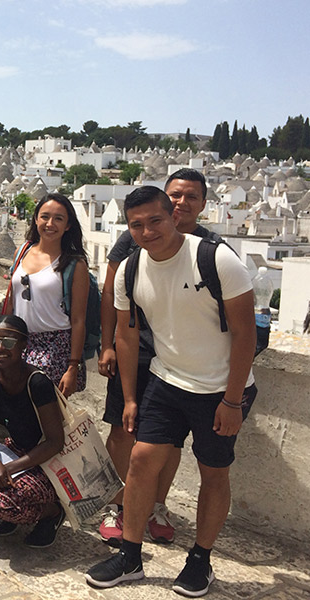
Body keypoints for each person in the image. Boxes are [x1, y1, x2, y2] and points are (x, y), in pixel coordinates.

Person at [85, 186, 257, 597]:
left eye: (155, 220)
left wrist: (233, 400)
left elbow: (246, 334)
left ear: (173, 216)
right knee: (142, 462)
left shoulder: (215, 259)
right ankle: (130, 555)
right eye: (136, 225)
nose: (147, 231)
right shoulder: (129, 269)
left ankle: (200, 560)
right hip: (167, 381)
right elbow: (127, 335)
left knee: (213, 474)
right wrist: (129, 397)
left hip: (220, 388)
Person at [96, 169, 225, 546]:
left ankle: (155, 505)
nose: (183, 203)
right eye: (176, 195)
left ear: (202, 204)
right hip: (136, 351)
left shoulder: (211, 248)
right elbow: (111, 293)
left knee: (170, 442)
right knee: (122, 431)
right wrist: (107, 344)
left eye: (191, 197)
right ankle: (114, 505)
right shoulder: (134, 237)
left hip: (180, 363)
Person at [0, 315, 66, 548]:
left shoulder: (37, 383)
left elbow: (55, 442)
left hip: (45, 457)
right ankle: (14, 512)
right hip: (15, 448)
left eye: (8, 342)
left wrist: (8, 469)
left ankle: (51, 513)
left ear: (23, 345)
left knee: (2, 502)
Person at [5, 193, 88, 398]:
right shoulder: (22, 251)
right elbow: (11, 299)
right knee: (17, 409)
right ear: (36, 219)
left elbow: (78, 320)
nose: (50, 224)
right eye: (45, 217)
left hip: (55, 346)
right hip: (21, 342)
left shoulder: (74, 265)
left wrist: (72, 367)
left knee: (47, 413)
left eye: (58, 218)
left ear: (68, 225)